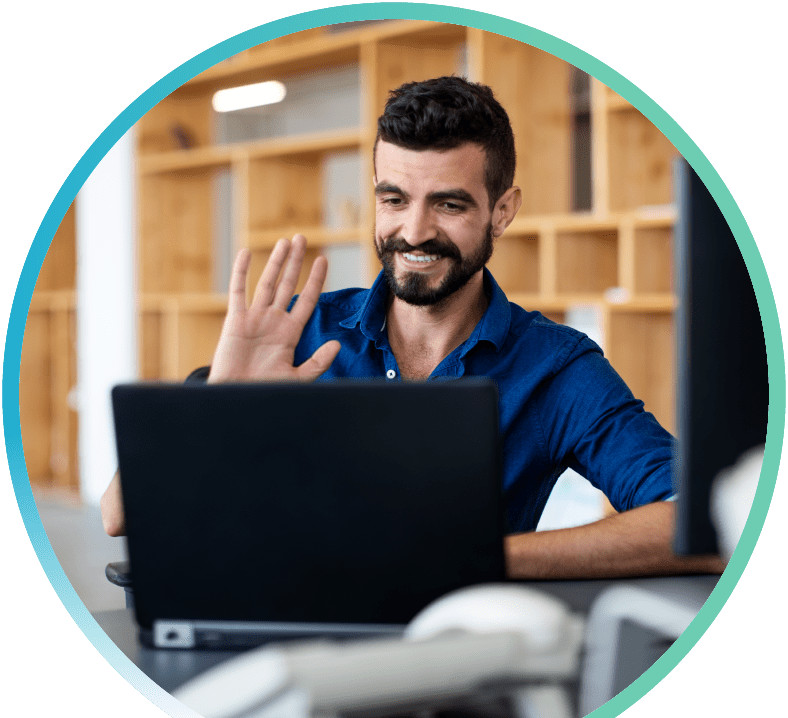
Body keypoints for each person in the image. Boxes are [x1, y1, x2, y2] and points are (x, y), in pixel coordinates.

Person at [102, 76, 724, 578]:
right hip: (284, 637)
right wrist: (221, 407)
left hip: (457, 648)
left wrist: (475, 562)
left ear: (502, 211)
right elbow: (119, 514)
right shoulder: (295, 332)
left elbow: (698, 521)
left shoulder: (556, 367)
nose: (415, 231)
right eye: (394, 199)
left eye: (449, 204)